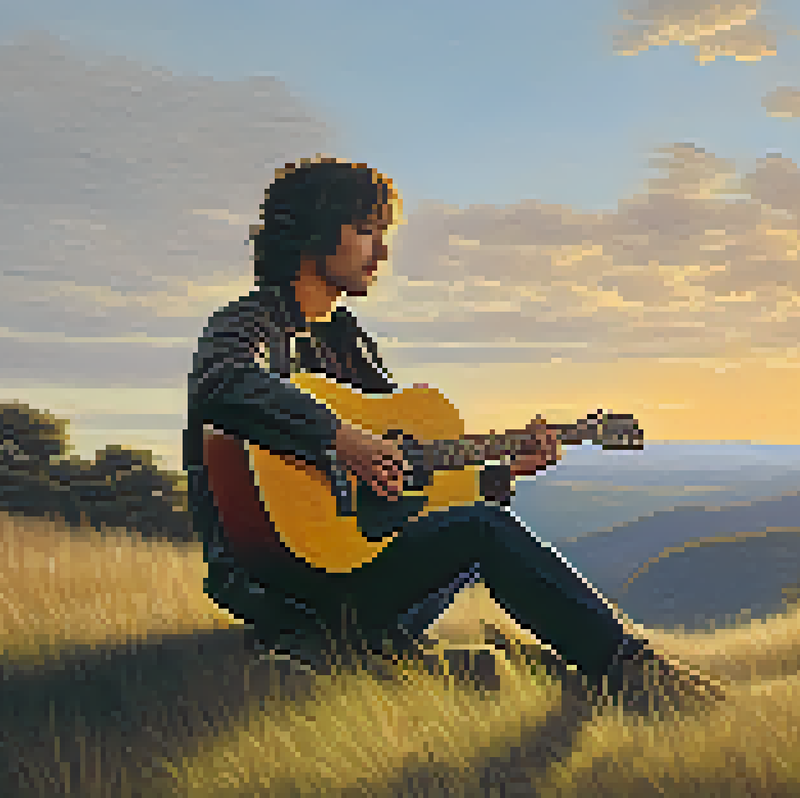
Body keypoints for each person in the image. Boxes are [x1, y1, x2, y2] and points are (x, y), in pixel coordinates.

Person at [183, 156, 725, 715]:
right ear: (314, 231)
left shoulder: (352, 344)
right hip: (281, 584)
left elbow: (404, 485)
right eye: (366, 231)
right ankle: (630, 672)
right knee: (483, 534)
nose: (382, 252)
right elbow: (226, 384)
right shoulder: (248, 325)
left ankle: (345, 654)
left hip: (348, 573)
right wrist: (342, 439)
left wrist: (498, 474)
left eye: (382, 233)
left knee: (478, 537)